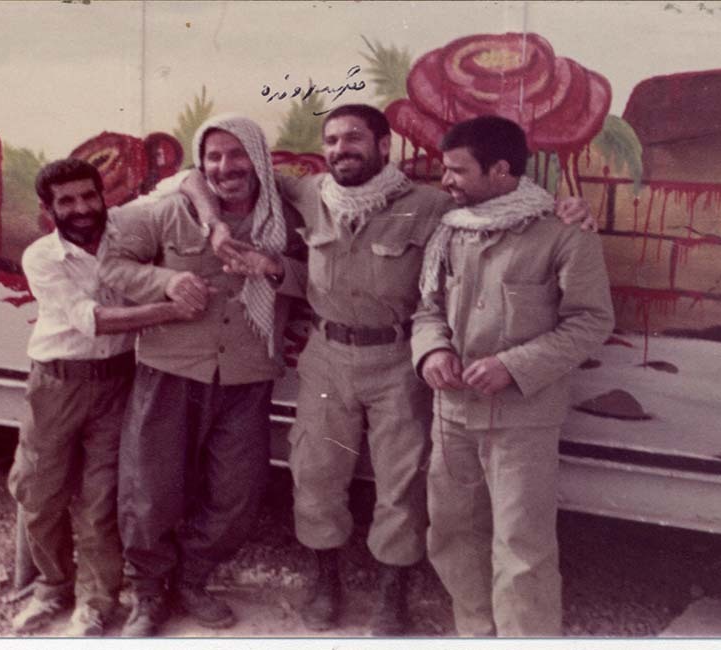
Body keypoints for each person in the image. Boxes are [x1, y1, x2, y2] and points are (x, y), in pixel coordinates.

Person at [194, 104, 594, 636]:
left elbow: (500, 214)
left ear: (384, 146)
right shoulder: (309, 192)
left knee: (401, 483)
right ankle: (325, 582)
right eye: (331, 140)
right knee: (315, 473)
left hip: (398, 362)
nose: (340, 150)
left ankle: (391, 593)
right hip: (327, 358)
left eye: (353, 138)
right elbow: (201, 177)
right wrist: (217, 223)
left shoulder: (434, 205)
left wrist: (568, 206)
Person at [98, 115, 305, 636]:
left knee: (237, 494)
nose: (224, 167)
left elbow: (317, 280)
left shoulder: (286, 221)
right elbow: (112, 263)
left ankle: (192, 579)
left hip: (247, 377)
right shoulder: (172, 210)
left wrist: (274, 267)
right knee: (150, 489)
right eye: (213, 156)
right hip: (170, 370)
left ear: (258, 159)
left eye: (237, 154)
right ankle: (148, 593)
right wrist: (165, 283)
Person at [412, 116, 615, 636]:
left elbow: (592, 322)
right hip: (452, 413)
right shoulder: (451, 230)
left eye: (458, 170)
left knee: (521, 546)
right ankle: (476, 632)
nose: (446, 180)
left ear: (500, 170)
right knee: (452, 533)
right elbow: (427, 308)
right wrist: (433, 351)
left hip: (522, 421)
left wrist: (513, 366)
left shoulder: (563, 234)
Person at [8, 158, 197, 636]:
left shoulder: (128, 230)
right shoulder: (41, 257)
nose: (82, 208)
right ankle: (51, 587)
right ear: (48, 209)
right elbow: (90, 319)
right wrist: (170, 310)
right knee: (39, 492)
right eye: (67, 201)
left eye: (89, 196)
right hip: (56, 385)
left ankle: (95, 604)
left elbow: (184, 179)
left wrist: (212, 222)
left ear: (103, 195)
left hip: (118, 383)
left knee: (101, 501)